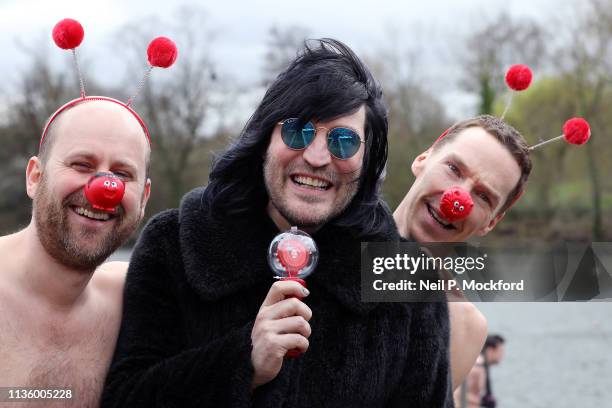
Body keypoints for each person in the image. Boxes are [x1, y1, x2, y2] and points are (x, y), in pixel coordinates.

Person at [102, 39, 453, 407]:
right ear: (265, 139)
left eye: (344, 141)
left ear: (366, 161)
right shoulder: (175, 245)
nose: (317, 157)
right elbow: (126, 398)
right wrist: (242, 362)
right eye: (297, 131)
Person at [0, 100, 151, 407]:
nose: (105, 187)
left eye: (122, 173)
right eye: (82, 165)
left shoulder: (140, 299)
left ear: (144, 197)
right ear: (34, 177)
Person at [393, 115, 531, 390]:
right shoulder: (320, 233)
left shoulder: (464, 327)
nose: (456, 201)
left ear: (491, 222)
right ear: (423, 158)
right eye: (454, 169)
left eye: (483, 196)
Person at [458, 334, 505, 408]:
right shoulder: (477, 367)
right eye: (501, 351)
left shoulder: (481, 366)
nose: (502, 355)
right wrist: (482, 401)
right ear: (490, 350)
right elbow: (457, 392)